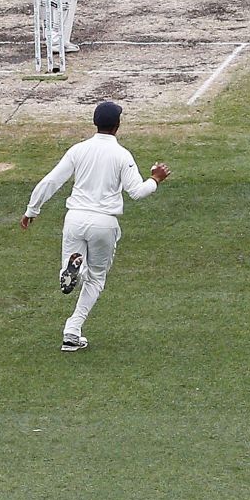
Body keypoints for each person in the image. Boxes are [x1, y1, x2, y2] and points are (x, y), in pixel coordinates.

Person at [21, 101, 171, 352]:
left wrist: (32, 210)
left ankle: (71, 276)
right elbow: (137, 192)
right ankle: (72, 328)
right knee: (96, 278)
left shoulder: (78, 150)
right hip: (104, 222)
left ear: (95, 123)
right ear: (118, 125)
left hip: (75, 219)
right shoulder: (122, 155)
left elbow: (52, 180)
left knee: (72, 269)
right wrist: (155, 179)